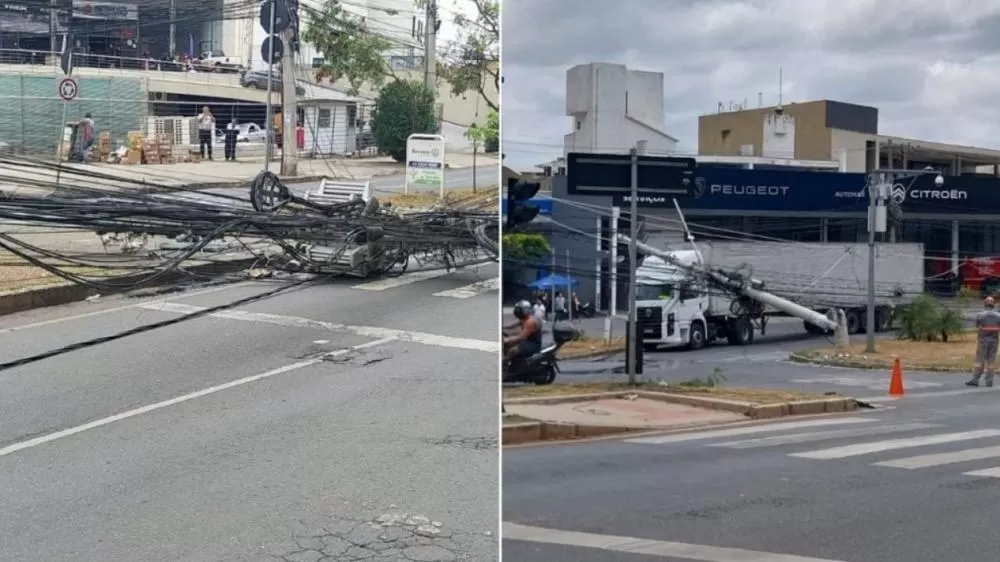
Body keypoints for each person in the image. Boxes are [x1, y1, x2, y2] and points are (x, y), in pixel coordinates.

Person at [967, 296, 1000, 387]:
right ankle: (989, 380)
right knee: (991, 361)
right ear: (994, 304)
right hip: (994, 341)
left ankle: (975, 379)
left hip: (983, 340)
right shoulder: (998, 315)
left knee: (979, 360)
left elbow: (977, 325)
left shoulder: (980, 315)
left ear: (985, 304)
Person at [504, 300, 543, 364]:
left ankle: (504, 363)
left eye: (519, 310)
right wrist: (502, 327)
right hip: (526, 341)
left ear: (525, 310)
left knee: (513, 350)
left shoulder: (530, 321)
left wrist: (507, 340)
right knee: (506, 345)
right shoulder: (524, 319)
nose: (517, 311)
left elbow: (521, 337)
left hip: (533, 344)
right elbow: (512, 326)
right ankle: (513, 362)